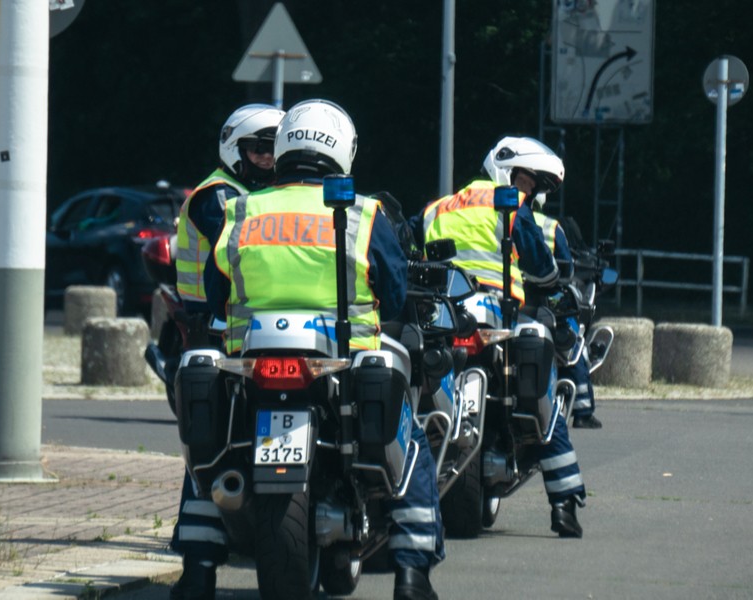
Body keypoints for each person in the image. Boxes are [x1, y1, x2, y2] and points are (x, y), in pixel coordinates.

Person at [206, 99, 443, 600]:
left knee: (216, 444)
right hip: (344, 359)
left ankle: (196, 568)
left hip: (252, 360)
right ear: (343, 151)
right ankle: (412, 575)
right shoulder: (362, 211)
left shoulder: (242, 209)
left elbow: (213, 288)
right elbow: (395, 293)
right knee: (414, 448)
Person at [414, 135, 587, 538]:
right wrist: (551, 282)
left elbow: (408, 250)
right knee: (542, 388)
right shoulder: (510, 206)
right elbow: (542, 269)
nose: (530, 193)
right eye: (529, 183)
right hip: (498, 313)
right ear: (508, 172)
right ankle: (564, 503)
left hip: (446, 314)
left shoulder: (436, 208)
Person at [168, 103, 285, 600]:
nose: (266, 157)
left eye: (275, 148)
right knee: (210, 448)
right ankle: (199, 568)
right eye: (258, 147)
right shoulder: (217, 196)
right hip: (211, 333)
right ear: (233, 148)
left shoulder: (267, 198)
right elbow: (239, 251)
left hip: (261, 331)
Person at [526, 158, 603, 429]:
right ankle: (583, 411)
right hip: (544, 298)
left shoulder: (498, 216)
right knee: (573, 342)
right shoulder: (550, 226)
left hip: (509, 295)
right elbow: (565, 267)